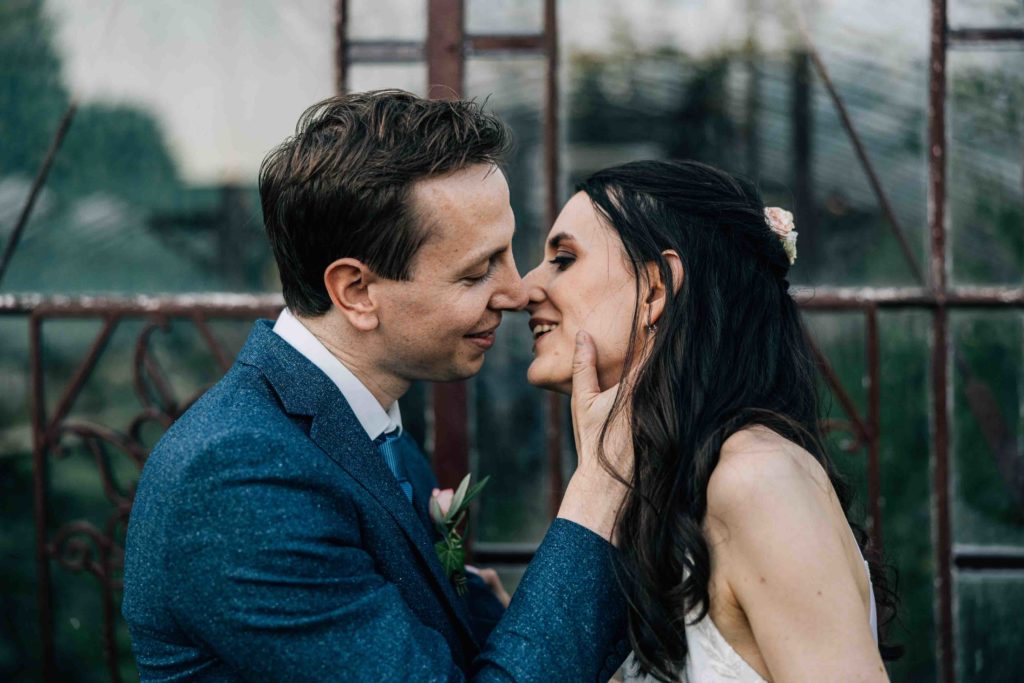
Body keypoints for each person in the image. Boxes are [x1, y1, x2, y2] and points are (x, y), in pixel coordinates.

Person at [121, 90, 630, 681]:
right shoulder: (240, 478)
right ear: (357, 292)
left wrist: (480, 612)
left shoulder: (369, 429)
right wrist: (598, 491)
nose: (517, 292)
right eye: (477, 271)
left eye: (508, 253)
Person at [523, 160, 898, 682]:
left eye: (563, 259)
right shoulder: (670, 483)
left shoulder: (759, 479)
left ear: (656, 289)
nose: (523, 289)